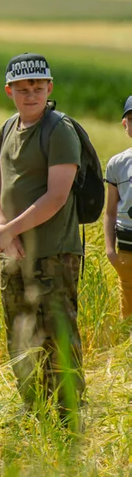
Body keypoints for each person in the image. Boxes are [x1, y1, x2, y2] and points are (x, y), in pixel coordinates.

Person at [0, 53, 84, 421]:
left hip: (53, 253)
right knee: (20, 335)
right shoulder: (8, 127)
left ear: (49, 89)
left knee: (57, 335)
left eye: (38, 88)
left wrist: (12, 230)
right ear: (9, 91)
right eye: (23, 89)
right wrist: (2, 231)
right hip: (13, 251)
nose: (31, 95)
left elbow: (57, 196)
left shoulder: (59, 130)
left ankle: (68, 417)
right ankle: (34, 411)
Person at [103, 95, 132, 334]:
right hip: (126, 248)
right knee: (128, 309)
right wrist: (110, 250)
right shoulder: (117, 163)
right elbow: (110, 211)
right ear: (125, 124)